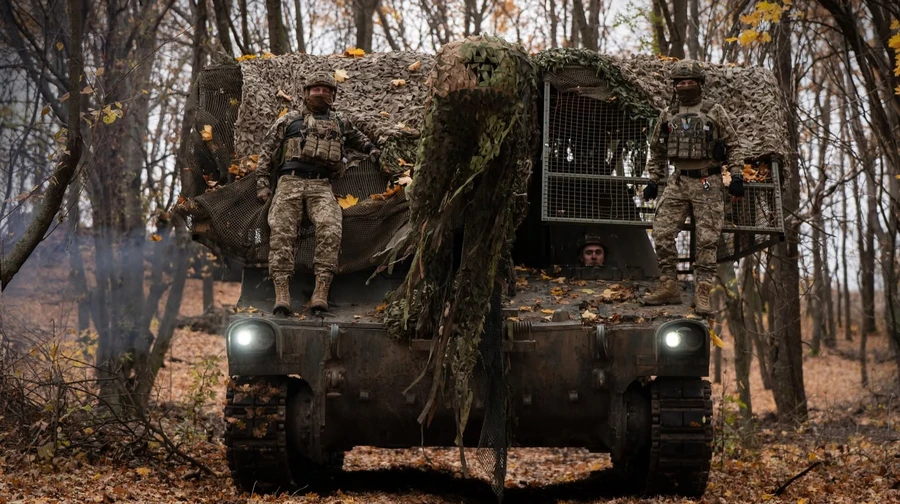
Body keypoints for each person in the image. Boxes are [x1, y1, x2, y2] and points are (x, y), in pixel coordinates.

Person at [256, 72, 381, 314]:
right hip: (289, 183)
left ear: (333, 95)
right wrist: (262, 183)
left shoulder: (340, 122)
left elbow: (359, 139)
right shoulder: (289, 120)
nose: (321, 93)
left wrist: (373, 149)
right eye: (316, 89)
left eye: (326, 90)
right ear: (306, 93)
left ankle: (321, 290)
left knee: (331, 226)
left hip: (321, 186)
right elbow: (267, 151)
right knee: (281, 230)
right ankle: (282, 293)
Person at [641, 59, 746, 315]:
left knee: (707, 241)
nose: (685, 86)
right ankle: (669, 285)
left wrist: (736, 175)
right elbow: (656, 149)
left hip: (707, 182)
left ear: (700, 84)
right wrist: (654, 179)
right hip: (678, 181)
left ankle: (702, 292)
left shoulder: (714, 111)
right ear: (674, 85)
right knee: (663, 232)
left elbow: (733, 144)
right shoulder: (668, 115)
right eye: (681, 82)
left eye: (690, 82)